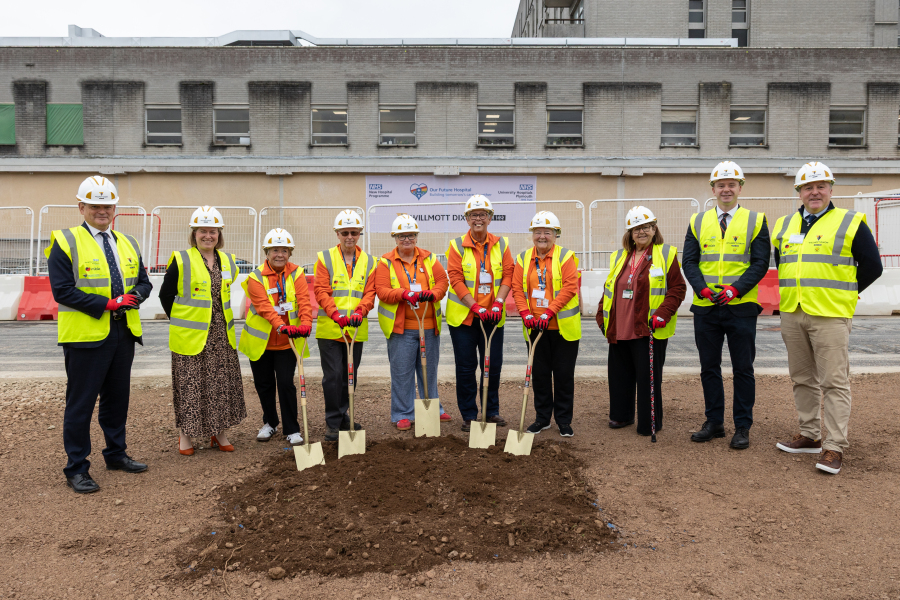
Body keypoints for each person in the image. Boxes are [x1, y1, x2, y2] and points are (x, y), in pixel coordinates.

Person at [773, 162, 883, 474]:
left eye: (821, 185)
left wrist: (848, 292)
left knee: (834, 382)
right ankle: (809, 435)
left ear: (831, 189)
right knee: (802, 378)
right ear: (799, 192)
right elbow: (783, 265)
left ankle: (834, 446)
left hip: (830, 315)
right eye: (808, 187)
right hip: (793, 312)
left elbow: (873, 266)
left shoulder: (850, 221)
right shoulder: (784, 225)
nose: (815, 191)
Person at [46, 176, 153, 494]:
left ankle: (116, 454)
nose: (102, 211)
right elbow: (62, 291)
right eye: (95, 205)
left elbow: (145, 281)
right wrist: (107, 303)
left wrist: (136, 296)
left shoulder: (128, 242)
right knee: (80, 404)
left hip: (123, 331)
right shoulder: (65, 241)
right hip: (85, 336)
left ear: (114, 208)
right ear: (82, 207)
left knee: (117, 400)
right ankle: (76, 468)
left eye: (107, 205)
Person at [682, 161, 770, 450]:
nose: (726, 188)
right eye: (721, 184)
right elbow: (690, 262)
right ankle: (714, 422)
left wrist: (735, 289)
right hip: (706, 308)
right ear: (713, 189)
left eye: (732, 184)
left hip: (741, 307)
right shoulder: (697, 221)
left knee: (743, 368)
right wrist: (702, 288)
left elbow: (760, 263)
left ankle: (742, 426)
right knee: (709, 367)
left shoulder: (756, 220)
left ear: (740, 187)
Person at [159, 206, 246, 456]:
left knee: (219, 385)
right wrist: (179, 320)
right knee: (191, 386)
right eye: (202, 231)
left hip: (221, 335)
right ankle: (185, 435)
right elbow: (166, 295)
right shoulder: (181, 259)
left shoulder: (228, 261)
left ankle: (218, 433)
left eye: (213, 231)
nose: (208, 235)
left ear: (219, 234)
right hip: (191, 336)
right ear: (194, 233)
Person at [598, 206, 686, 436]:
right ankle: (621, 415)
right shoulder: (619, 256)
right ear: (629, 233)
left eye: (646, 227)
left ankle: (650, 422)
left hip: (648, 327)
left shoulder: (666, 254)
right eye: (636, 228)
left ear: (654, 228)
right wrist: (601, 317)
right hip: (620, 327)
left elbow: (677, 288)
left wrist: (663, 314)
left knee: (648, 378)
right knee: (619, 375)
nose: (641, 232)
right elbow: (610, 288)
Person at [375, 214, 451, 430]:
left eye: (410, 235)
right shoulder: (385, 262)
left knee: (429, 371)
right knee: (402, 372)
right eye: (401, 236)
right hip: (401, 329)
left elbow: (442, 281)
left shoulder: (429, 258)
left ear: (416, 237)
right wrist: (402, 293)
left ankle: (433, 409)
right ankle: (403, 413)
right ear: (395, 238)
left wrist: (433, 294)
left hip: (428, 327)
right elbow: (381, 290)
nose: (406, 239)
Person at [446, 194, 514, 432]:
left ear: (490, 218)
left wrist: (497, 302)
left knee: (492, 366)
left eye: (482, 215)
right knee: (466, 368)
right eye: (473, 215)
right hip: (464, 319)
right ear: (466, 219)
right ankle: (469, 414)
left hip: (493, 318)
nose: (478, 219)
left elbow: (508, 275)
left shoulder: (501, 244)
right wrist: (474, 306)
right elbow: (455, 278)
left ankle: (491, 410)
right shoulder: (456, 246)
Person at [239, 228, 313, 446]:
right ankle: (270, 422)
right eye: (274, 250)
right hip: (261, 342)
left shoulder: (297, 273)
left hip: (287, 343)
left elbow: (304, 301)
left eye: (284, 250)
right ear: (267, 252)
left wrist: (307, 323)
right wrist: (281, 326)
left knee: (286, 384)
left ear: (290, 252)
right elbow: (264, 307)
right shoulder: (256, 276)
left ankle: (292, 429)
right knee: (264, 385)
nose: (279, 254)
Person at [511, 211, 581, 437]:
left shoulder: (566, 257)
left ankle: (563, 420)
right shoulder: (523, 258)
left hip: (563, 329)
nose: (542, 236)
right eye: (538, 232)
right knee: (540, 375)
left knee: (563, 375)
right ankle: (542, 418)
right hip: (534, 328)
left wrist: (548, 312)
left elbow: (570, 287)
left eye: (547, 232)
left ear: (556, 235)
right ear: (532, 234)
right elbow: (517, 289)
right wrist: (525, 314)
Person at [314, 210, 377, 442]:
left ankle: (343, 416)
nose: (349, 236)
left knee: (349, 376)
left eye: (354, 232)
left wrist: (361, 311)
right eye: (345, 232)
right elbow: (321, 290)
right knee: (333, 375)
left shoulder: (370, 261)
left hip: (356, 328)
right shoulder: (325, 258)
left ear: (360, 234)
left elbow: (370, 292)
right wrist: (335, 314)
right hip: (331, 329)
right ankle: (332, 423)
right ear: (337, 234)